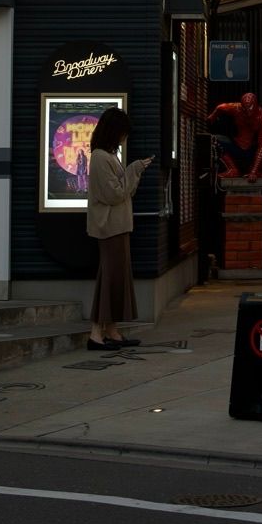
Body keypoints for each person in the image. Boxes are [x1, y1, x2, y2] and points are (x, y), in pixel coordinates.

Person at [85, 108, 151, 351]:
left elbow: (120, 191)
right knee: (110, 278)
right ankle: (96, 333)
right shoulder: (101, 157)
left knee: (114, 278)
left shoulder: (106, 156)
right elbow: (115, 194)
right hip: (110, 227)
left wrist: (133, 170)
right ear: (114, 131)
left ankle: (111, 331)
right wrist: (134, 169)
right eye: (123, 132)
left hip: (116, 226)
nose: (125, 137)